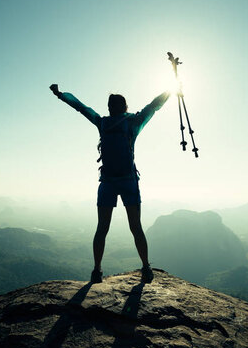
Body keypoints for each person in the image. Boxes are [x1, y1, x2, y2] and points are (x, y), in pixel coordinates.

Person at [50, 84, 170, 284]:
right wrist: (171, 90)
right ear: (124, 107)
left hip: (107, 182)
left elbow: (82, 107)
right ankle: (146, 267)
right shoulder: (133, 123)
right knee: (136, 227)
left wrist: (61, 95)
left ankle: (97, 271)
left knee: (102, 228)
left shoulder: (102, 123)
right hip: (129, 181)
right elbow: (153, 106)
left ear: (109, 107)